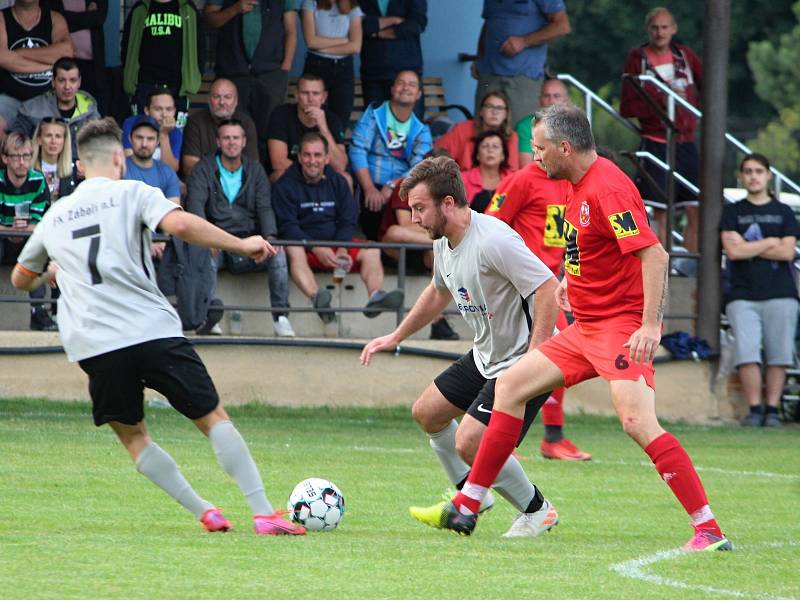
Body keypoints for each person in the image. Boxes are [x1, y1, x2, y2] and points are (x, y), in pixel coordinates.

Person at [418, 105, 732, 553]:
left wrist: (649, 325)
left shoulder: (609, 188)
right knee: (509, 387)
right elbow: (588, 243)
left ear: (564, 148)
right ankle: (468, 503)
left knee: (636, 422)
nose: (534, 156)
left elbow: (655, 256)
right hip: (584, 329)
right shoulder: (574, 184)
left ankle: (709, 530)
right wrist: (569, 279)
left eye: (540, 147)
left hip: (618, 328)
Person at [10, 117, 306, 535]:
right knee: (211, 418)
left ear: (80, 164)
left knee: (135, 439)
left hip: (96, 344)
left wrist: (51, 272)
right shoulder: (133, 191)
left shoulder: (55, 216)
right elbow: (180, 224)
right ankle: (262, 513)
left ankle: (206, 511)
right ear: (119, 157)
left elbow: (20, 278)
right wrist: (242, 243)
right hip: (151, 330)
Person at [361, 155, 562, 538]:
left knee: (470, 441)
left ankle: (538, 511)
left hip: (522, 361)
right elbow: (438, 292)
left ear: (448, 204)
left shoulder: (494, 240)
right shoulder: (444, 240)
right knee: (427, 413)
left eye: (420, 208)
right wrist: (396, 336)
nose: (414, 218)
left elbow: (548, 288)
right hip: (486, 356)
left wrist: (535, 360)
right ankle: (472, 494)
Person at [485, 136, 590, 461]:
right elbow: (490, 226)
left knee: (544, 363)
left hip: (551, 285)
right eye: (538, 146)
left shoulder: (572, 183)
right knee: (547, 360)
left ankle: (545, 438)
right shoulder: (521, 180)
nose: (540, 153)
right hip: (524, 286)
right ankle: (531, 438)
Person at [273, 132, 404, 323]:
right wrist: (315, 248)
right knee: (293, 248)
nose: (312, 161)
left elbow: (348, 219)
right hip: (304, 246)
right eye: (307, 155)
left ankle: (375, 296)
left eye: (317, 155)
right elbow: (288, 227)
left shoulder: (338, 182)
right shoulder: (285, 185)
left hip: (335, 245)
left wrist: (342, 247)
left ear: (327, 158)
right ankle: (317, 298)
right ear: (299, 157)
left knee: (372, 250)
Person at [186, 118, 295, 337]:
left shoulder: (255, 169)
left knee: (278, 255)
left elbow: (265, 207)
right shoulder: (203, 169)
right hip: (217, 242)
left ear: (244, 142)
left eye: (236, 138)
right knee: (204, 257)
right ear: (218, 141)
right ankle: (208, 318)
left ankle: (281, 318)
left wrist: (270, 238)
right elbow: (195, 206)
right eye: (226, 138)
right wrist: (206, 239)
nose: (231, 142)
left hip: (248, 242)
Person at [720, 154, 799, 428]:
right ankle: (755, 408)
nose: (753, 176)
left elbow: (788, 252)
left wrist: (749, 246)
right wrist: (770, 242)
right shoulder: (732, 212)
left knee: (779, 353)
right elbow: (733, 251)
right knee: (748, 352)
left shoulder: (784, 212)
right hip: (742, 293)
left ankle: (773, 409)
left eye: (759, 171)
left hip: (782, 292)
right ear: (741, 177)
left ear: (768, 175)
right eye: (748, 171)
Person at [620, 7, 702, 253]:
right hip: (655, 139)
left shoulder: (684, 56)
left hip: (686, 140)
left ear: (674, 29)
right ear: (648, 30)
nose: (660, 32)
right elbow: (627, 104)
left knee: (694, 206)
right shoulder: (638, 58)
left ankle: (690, 266)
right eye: (655, 27)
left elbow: (708, 83)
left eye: (665, 27)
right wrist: (661, 102)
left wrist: (692, 108)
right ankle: (663, 265)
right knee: (660, 208)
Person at [378, 147, 458, 341]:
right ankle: (440, 241)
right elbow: (406, 225)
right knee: (396, 232)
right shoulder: (406, 187)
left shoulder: (451, 195)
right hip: (396, 250)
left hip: (427, 251)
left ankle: (438, 322)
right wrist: (441, 235)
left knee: (437, 253)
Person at [203, 0, 298, 163]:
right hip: (233, 72)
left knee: (269, 130)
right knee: (233, 129)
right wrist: (234, 9)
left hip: (271, 73)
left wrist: (284, 68)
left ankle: (264, 182)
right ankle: (234, 179)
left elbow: (291, 31)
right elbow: (209, 20)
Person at [349, 69, 432, 240]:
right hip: (369, 184)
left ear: (418, 94)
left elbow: (419, 166)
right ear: (392, 89)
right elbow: (358, 149)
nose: (405, 88)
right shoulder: (374, 114)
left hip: (400, 188)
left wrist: (393, 185)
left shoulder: (422, 130)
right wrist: (369, 188)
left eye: (412, 84)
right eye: (401, 83)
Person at [472, 0, 569, 126]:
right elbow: (488, 25)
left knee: (520, 131)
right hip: (489, 74)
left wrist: (524, 41)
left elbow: (562, 26)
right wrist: (480, 58)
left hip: (523, 77)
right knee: (482, 131)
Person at [0, 131, 55, 330]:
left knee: (41, 246)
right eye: (16, 157)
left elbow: (43, 223)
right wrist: (9, 229)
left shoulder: (38, 181)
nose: (22, 162)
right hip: (3, 239)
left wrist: (23, 230)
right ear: (5, 158)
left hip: (28, 239)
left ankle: (38, 313)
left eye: (26, 156)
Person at [121, 0, 203, 128]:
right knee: (142, 135)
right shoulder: (140, 8)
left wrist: (193, 78)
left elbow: (199, 46)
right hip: (144, 85)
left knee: (175, 135)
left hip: (177, 87)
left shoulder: (188, 8)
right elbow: (127, 45)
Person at [0, 0, 74, 132]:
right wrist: (47, 66)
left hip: (48, 101)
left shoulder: (54, 18)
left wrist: (19, 53)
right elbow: (3, 58)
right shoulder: (2, 18)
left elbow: (66, 52)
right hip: (9, 100)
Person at [266, 73, 348, 183]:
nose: (310, 99)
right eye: (305, 93)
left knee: (345, 179)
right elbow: (278, 162)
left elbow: (340, 166)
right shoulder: (281, 114)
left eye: (315, 93)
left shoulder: (332, 120)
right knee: (279, 175)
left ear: (323, 97)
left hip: (321, 176)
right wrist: (311, 175)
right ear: (296, 95)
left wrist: (323, 127)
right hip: (293, 175)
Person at [12, 56, 100, 157]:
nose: (67, 86)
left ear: (79, 82)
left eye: (73, 80)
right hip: (42, 169)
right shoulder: (32, 109)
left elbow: (99, 146)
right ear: (53, 82)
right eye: (62, 80)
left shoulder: (90, 109)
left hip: (80, 168)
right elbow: (16, 143)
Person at [359, 0, 426, 120]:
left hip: (407, 69)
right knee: (376, 128)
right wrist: (393, 20)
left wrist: (377, 33)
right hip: (373, 71)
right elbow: (357, 24)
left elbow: (416, 25)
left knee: (410, 128)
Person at [300, 0, 363, 129]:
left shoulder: (352, 6)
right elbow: (311, 41)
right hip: (316, 66)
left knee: (339, 122)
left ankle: (335, 148)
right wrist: (343, 40)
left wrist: (321, 48)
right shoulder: (311, 3)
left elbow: (355, 46)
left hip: (343, 68)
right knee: (311, 119)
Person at [181, 78, 259, 177]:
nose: (222, 102)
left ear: (236, 101)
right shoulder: (195, 122)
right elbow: (190, 166)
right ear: (209, 100)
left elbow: (253, 166)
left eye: (227, 97)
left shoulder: (246, 123)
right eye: (216, 96)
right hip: (205, 185)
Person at [46, 0, 110, 114]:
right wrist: (87, 17)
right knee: (62, 110)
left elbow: (98, 18)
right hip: (63, 64)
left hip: (93, 66)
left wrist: (66, 19)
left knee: (92, 112)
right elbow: (51, 19)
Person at [435, 90, 519, 172]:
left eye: (499, 108)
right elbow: (439, 148)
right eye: (489, 106)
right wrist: (450, 170)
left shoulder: (511, 136)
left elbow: (511, 171)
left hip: (498, 184)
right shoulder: (463, 128)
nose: (494, 112)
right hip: (463, 181)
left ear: (506, 114)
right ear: (481, 112)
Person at [122, 87, 183, 172]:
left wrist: (164, 135)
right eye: (158, 109)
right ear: (147, 110)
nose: (164, 114)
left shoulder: (176, 132)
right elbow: (130, 163)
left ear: (174, 111)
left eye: (168, 109)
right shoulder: (131, 123)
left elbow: (171, 170)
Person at [123, 115, 180, 204]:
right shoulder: (118, 169)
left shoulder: (168, 173)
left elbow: (174, 213)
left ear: (158, 142)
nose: (144, 144)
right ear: (130, 138)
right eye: (139, 137)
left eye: (150, 139)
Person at [516, 76, 568, 167]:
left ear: (566, 99)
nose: (551, 101)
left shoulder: (575, 123)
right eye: (546, 96)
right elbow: (525, 167)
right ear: (540, 99)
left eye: (557, 96)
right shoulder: (525, 125)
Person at [460, 130, 512, 213]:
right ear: (477, 155)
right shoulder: (462, 179)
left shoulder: (513, 180)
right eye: (484, 146)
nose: (490, 150)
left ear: (503, 155)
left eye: (495, 146)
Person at [31, 116, 79, 200]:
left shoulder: (75, 169)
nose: (53, 141)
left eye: (58, 136)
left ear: (65, 141)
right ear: (39, 139)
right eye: (48, 135)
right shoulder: (28, 169)